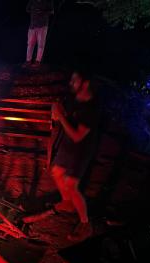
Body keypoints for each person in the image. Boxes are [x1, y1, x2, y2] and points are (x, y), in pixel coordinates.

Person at [49, 70, 101, 241]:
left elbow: (78, 136)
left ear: (85, 84)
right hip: (67, 145)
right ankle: (67, 203)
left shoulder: (91, 109)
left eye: (75, 80)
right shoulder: (73, 99)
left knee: (71, 185)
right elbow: (59, 116)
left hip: (81, 150)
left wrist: (62, 118)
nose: (71, 83)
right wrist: (56, 112)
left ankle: (86, 224)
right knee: (56, 172)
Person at [24, 0, 54, 67]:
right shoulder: (32, 1)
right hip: (33, 25)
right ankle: (28, 61)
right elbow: (27, 9)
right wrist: (34, 12)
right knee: (30, 44)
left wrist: (42, 12)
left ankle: (38, 61)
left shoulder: (49, 1)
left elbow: (52, 11)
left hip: (42, 25)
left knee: (40, 44)